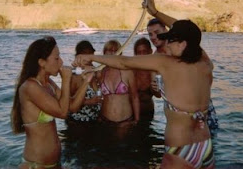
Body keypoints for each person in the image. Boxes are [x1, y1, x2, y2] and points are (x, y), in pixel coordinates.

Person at [73, 20, 215, 168]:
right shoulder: (205, 64)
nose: (166, 43)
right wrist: (155, 13)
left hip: (180, 148)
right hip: (205, 144)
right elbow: (194, 36)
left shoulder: (165, 63)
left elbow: (124, 62)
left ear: (183, 44)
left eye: (170, 40)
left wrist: (91, 57)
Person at [11, 36, 93, 169]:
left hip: (54, 164)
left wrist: (86, 81)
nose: (61, 62)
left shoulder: (48, 84)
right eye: (56, 58)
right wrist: (66, 80)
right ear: (42, 62)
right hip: (36, 165)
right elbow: (62, 112)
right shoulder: (30, 87)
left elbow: (72, 107)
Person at [145, 0, 219, 135]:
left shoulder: (187, 48)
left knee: (207, 151)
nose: (154, 37)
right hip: (178, 119)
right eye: (150, 34)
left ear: (167, 31)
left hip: (201, 112)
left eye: (157, 33)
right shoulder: (155, 59)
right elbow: (157, 94)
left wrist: (155, 12)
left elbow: (186, 30)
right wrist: (154, 88)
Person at [98, 40, 140, 126]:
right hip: (105, 119)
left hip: (125, 121)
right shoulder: (100, 72)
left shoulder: (127, 72)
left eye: (116, 50)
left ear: (120, 54)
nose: (113, 53)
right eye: (110, 50)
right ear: (104, 53)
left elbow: (135, 97)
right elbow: (99, 97)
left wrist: (137, 120)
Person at [67, 40, 102, 123]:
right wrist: (88, 102)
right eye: (85, 54)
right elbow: (67, 101)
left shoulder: (96, 72)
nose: (87, 58)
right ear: (78, 56)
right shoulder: (74, 75)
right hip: (78, 121)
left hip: (95, 120)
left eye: (90, 54)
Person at [133, 37, 161, 120]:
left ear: (150, 52)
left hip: (148, 111)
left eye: (144, 52)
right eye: (139, 52)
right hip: (131, 112)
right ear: (135, 54)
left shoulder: (154, 71)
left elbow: (158, 95)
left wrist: (155, 87)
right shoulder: (131, 70)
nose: (142, 55)